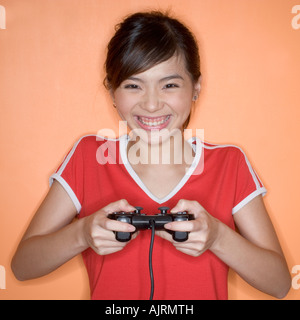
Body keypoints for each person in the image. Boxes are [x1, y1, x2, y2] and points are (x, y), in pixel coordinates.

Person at [11, 11, 291, 300]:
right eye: (133, 85)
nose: (152, 103)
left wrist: (218, 237)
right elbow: (23, 265)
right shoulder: (88, 156)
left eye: (169, 85)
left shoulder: (230, 163)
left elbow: (280, 283)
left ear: (196, 87)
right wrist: (81, 234)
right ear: (111, 90)